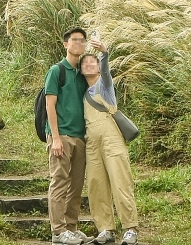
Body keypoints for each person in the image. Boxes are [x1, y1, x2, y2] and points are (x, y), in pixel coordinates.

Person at [80, 38, 139, 245]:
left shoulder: (104, 85)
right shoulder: (81, 93)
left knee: (120, 181)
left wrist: (104, 54)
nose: (88, 64)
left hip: (111, 136)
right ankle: (105, 229)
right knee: (97, 185)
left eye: (92, 62)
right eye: (84, 63)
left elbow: (106, 72)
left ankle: (130, 229)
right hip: (91, 140)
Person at [45, 28, 91, 245]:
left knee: (76, 184)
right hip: (61, 135)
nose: (79, 44)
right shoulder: (57, 71)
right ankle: (58, 232)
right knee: (59, 181)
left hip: (80, 136)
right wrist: (55, 138)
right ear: (65, 44)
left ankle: (71, 227)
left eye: (82, 41)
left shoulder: (82, 73)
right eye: (74, 40)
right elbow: (50, 105)